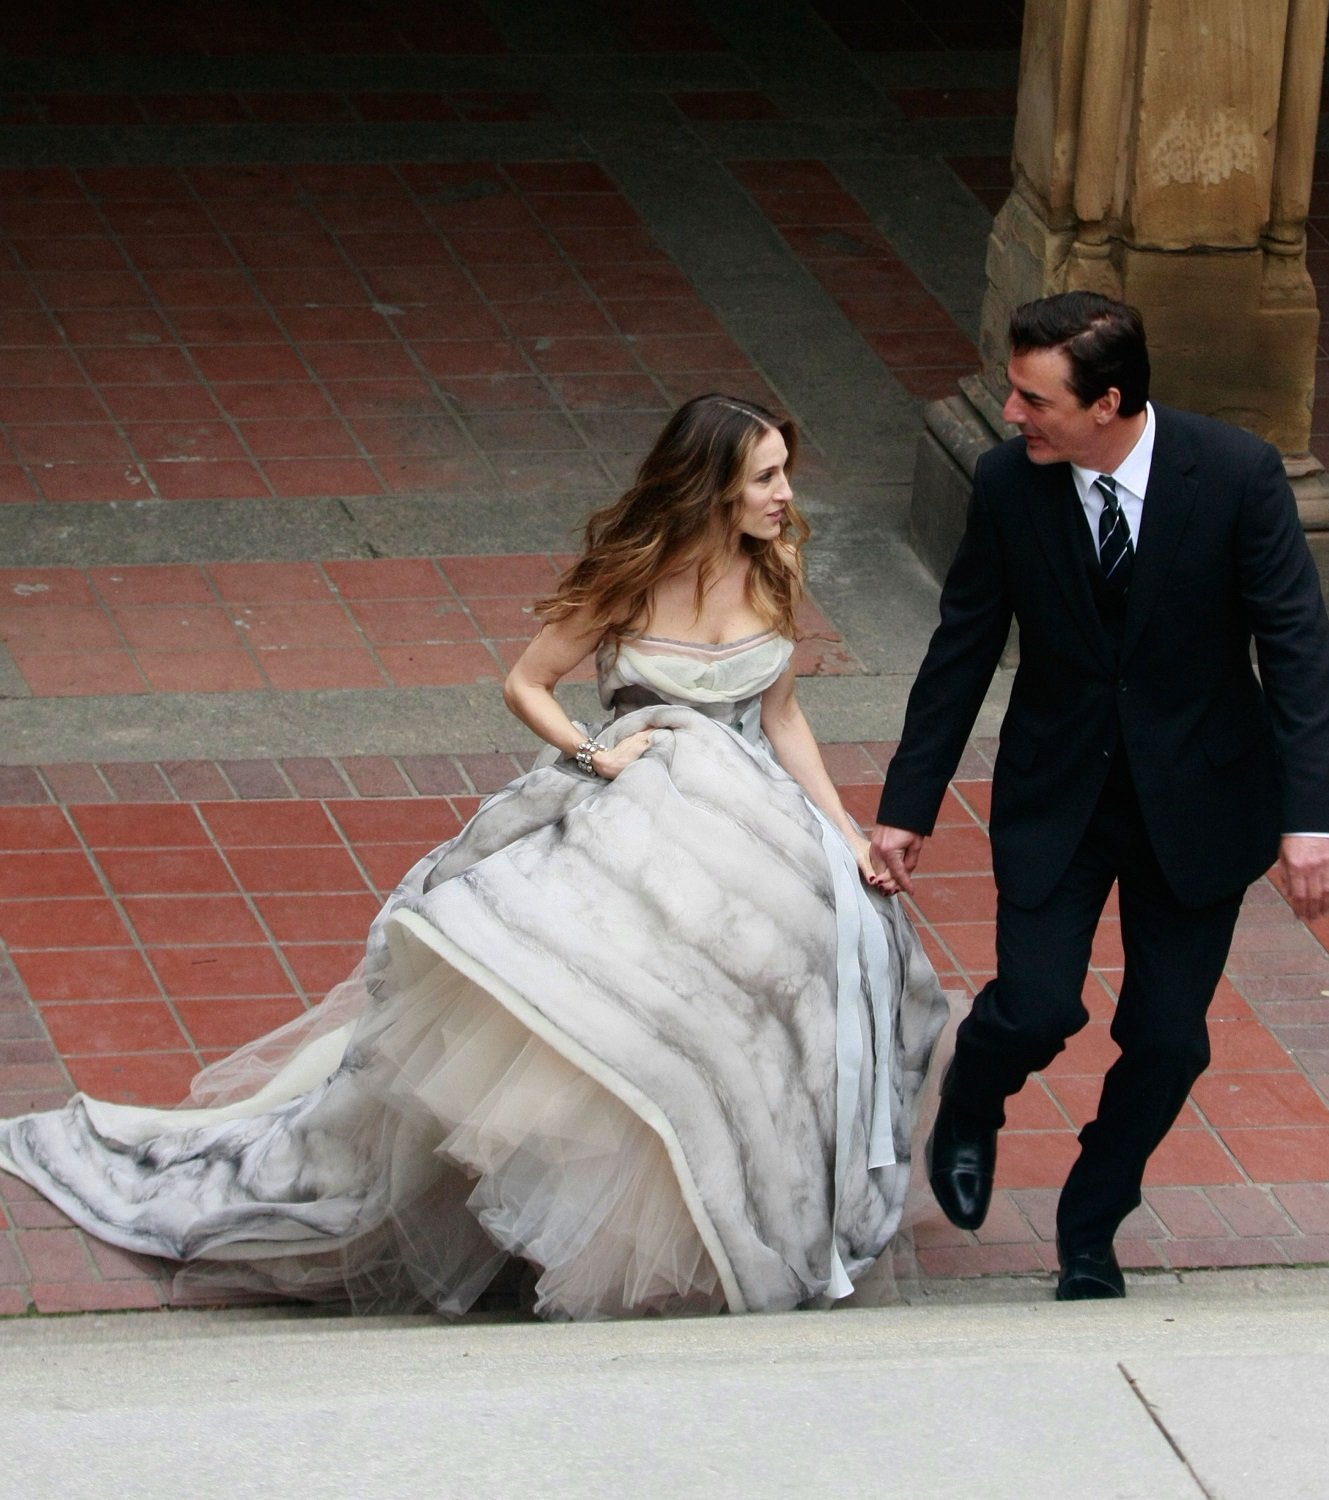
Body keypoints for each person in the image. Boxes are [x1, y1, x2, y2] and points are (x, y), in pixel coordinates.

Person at [0, 394, 946, 1321]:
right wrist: (595, 752)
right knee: (604, 1000)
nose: (787, 494)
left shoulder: (776, 561)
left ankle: (738, 1206)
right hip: (632, 816)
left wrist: (846, 831)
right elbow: (525, 681)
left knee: (795, 980)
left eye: (785, 473)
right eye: (766, 477)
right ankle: (566, 1210)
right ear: (710, 488)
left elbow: (781, 718)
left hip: (751, 831)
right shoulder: (629, 576)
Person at [870, 292, 1329, 1301]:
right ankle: (973, 1096)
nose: (1010, 414)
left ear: (1109, 403)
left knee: (1169, 1039)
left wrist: (1312, 815)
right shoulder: (1008, 487)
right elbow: (960, 651)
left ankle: (1092, 1223)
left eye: (1034, 398)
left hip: (1202, 798)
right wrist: (908, 806)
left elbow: (1297, 650)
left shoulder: (1234, 476)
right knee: (1038, 1006)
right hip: (1061, 793)